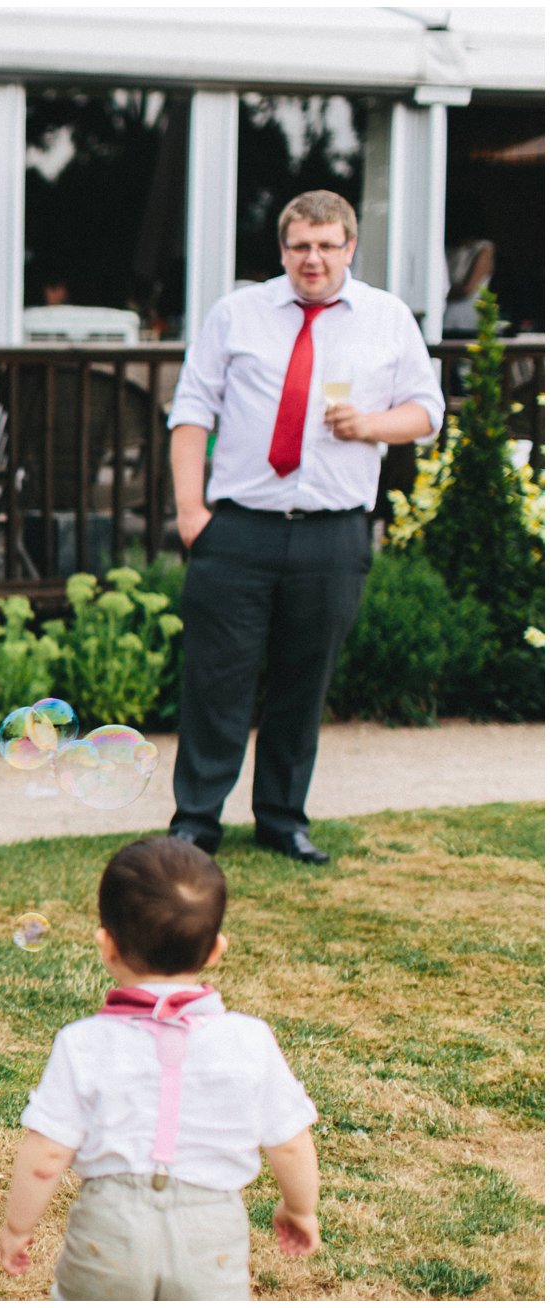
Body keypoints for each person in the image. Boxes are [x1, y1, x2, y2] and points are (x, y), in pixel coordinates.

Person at [166, 190, 442, 864]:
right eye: (299, 246)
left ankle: (283, 820)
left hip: (332, 532)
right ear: (283, 250)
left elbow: (427, 411)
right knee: (216, 680)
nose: (311, 258)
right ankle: (196, 821)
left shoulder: (386, 319)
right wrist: (192, 513)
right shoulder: (237, 313)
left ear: (350, 247)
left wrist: (371, 425)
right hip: (237, 529)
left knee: (303, 679)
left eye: (325, 245)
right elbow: (191, 412)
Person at [0, 837, 321, 1299]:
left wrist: (17, 1226)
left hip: (108, 1233)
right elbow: (289, 1144)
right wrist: (300, 1209)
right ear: (216, 950)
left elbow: (47, 1153)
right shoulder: (249, 1038)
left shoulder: (83, 1042)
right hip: (211, 1234)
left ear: (106, 946)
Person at [441, 239, 495, 338]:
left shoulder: (483, 249)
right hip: (443, 319)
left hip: (467, 321)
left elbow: (467, 289)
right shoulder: (444, 247)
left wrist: (441, 294)